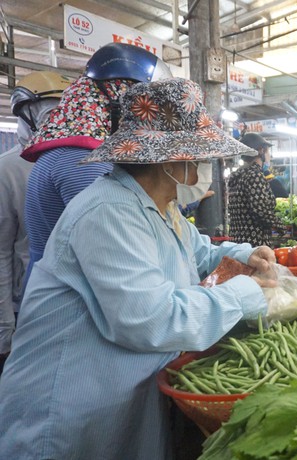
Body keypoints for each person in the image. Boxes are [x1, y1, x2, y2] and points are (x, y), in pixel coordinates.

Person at [0, 77, 275, 460]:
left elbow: (195, 253)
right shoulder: (108, 212)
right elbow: (151, 318)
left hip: (116, 395)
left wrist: (245, 255)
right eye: (198, 156)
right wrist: (245, 295)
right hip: (69, 406)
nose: (203, 166)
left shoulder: (162, 207)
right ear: (169, 159)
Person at [21, 42, 171, 287]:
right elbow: (119, 256)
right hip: (70, 309)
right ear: (117, 102)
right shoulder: (81, 161)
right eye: (143, 110)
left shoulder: (69, 150)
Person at [0, 71, 71, 369]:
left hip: (76, 304)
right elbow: (2, 251)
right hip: (28, 306)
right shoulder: (9, 170)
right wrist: (5, 329)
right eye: (47, 113)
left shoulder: (85, 161)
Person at [228, 137, 284, 247]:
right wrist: (280, 227)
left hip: (238, 241)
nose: (269, 156)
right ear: (260, 151)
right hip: (254, 243)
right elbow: (260, 210)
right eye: (267, 151)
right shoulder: (254, 175)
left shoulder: (238, 175)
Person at [240, 132, 289, 198]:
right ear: (261, 151)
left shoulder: (236, 176)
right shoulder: (258, 178)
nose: (270, 156)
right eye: (268, 152)